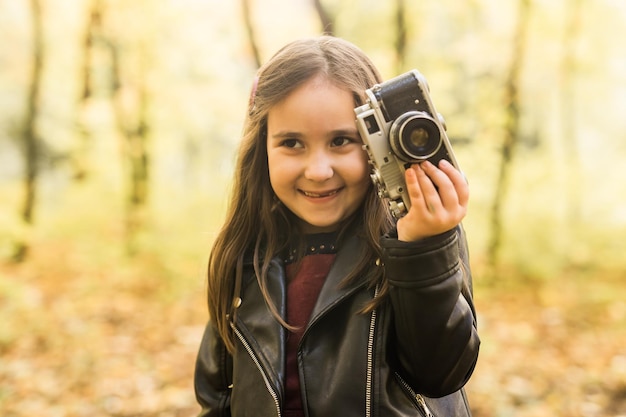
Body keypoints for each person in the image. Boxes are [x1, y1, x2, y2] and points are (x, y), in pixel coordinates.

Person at [194, 35, 480, 417]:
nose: (318, 171)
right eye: (292, 143)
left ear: (376, 144)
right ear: (262, 149)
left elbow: (441, 374)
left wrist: (421, 251)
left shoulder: (416, 242)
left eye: (341, 140)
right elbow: (217, 399)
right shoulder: (247, 254)